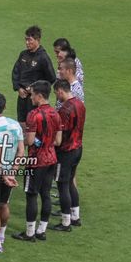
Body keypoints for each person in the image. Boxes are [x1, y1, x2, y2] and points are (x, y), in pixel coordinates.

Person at [12, 81, 62, 242]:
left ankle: (29, 233)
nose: (31, 97)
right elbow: (58, 141)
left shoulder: (34, 115)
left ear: (39, 95)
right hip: (51, 159)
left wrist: (21, 141)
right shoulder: (55, 113)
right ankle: (42, 231)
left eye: (32, 94)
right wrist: (46, 142)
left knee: (31, 195)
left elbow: (30, 141)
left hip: (36, 161)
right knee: (46, 194)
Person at [0, 93, 24, 253]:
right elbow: (21, 151)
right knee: (4, 204)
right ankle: (1, 235)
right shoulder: (15, 125)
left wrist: (3, 174)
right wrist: (12, 172)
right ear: (5, 106)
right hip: (10, 173)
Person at [51, 80, 86, 230]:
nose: (56, 97)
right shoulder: (80, 104)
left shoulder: (65, 110)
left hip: (66, 152)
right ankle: (75, 216)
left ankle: (65, 222)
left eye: (56, 93)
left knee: (62, 185)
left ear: (60, 91)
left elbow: (60, 136)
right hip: (78, 148)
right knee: (71, 182)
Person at [11, 25, 56, 130]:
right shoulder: (23, 54)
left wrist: (36, 90)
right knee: (21, 122)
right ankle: (24, 145)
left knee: (34, 124)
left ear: (38, 40)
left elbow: (51, 78)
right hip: (22, 96)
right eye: (26, 40)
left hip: (35, 98)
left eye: (30, 40)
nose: (27, 43)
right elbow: (15, 72)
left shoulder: (43, 57)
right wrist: (18, 88)